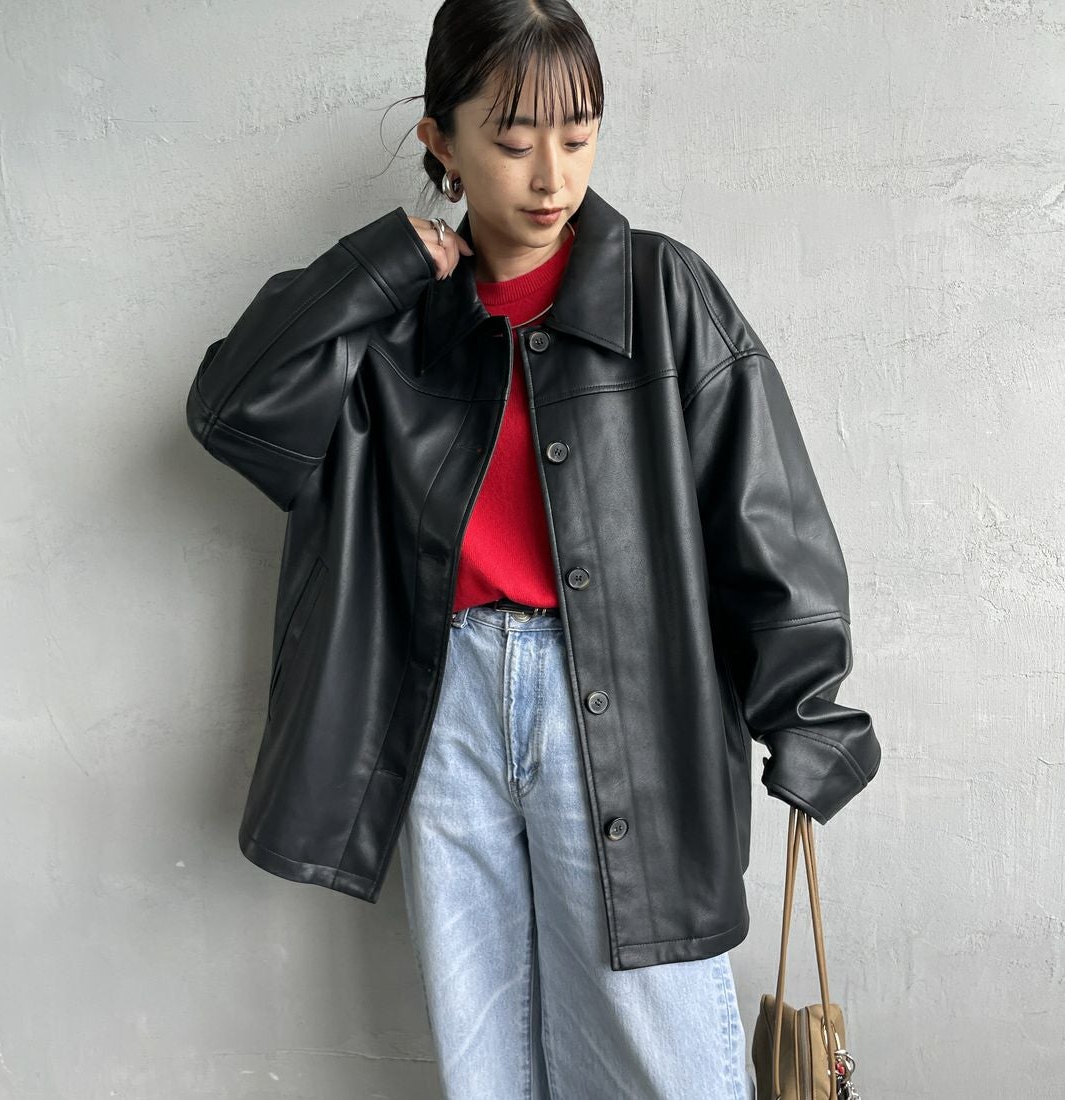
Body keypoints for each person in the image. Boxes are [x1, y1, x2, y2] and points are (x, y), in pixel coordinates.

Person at [185, 0, 880, 1096]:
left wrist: (808, 714)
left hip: (623, 705)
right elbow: (231, 411)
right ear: (442, 143)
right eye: (512, 142)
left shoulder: (661, 291)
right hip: (443, 706)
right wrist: (381, 263)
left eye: (578, 135)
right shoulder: (397, 322)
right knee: (488, 1061)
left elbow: (764, 505)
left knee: (661, 1054)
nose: (552, 176)